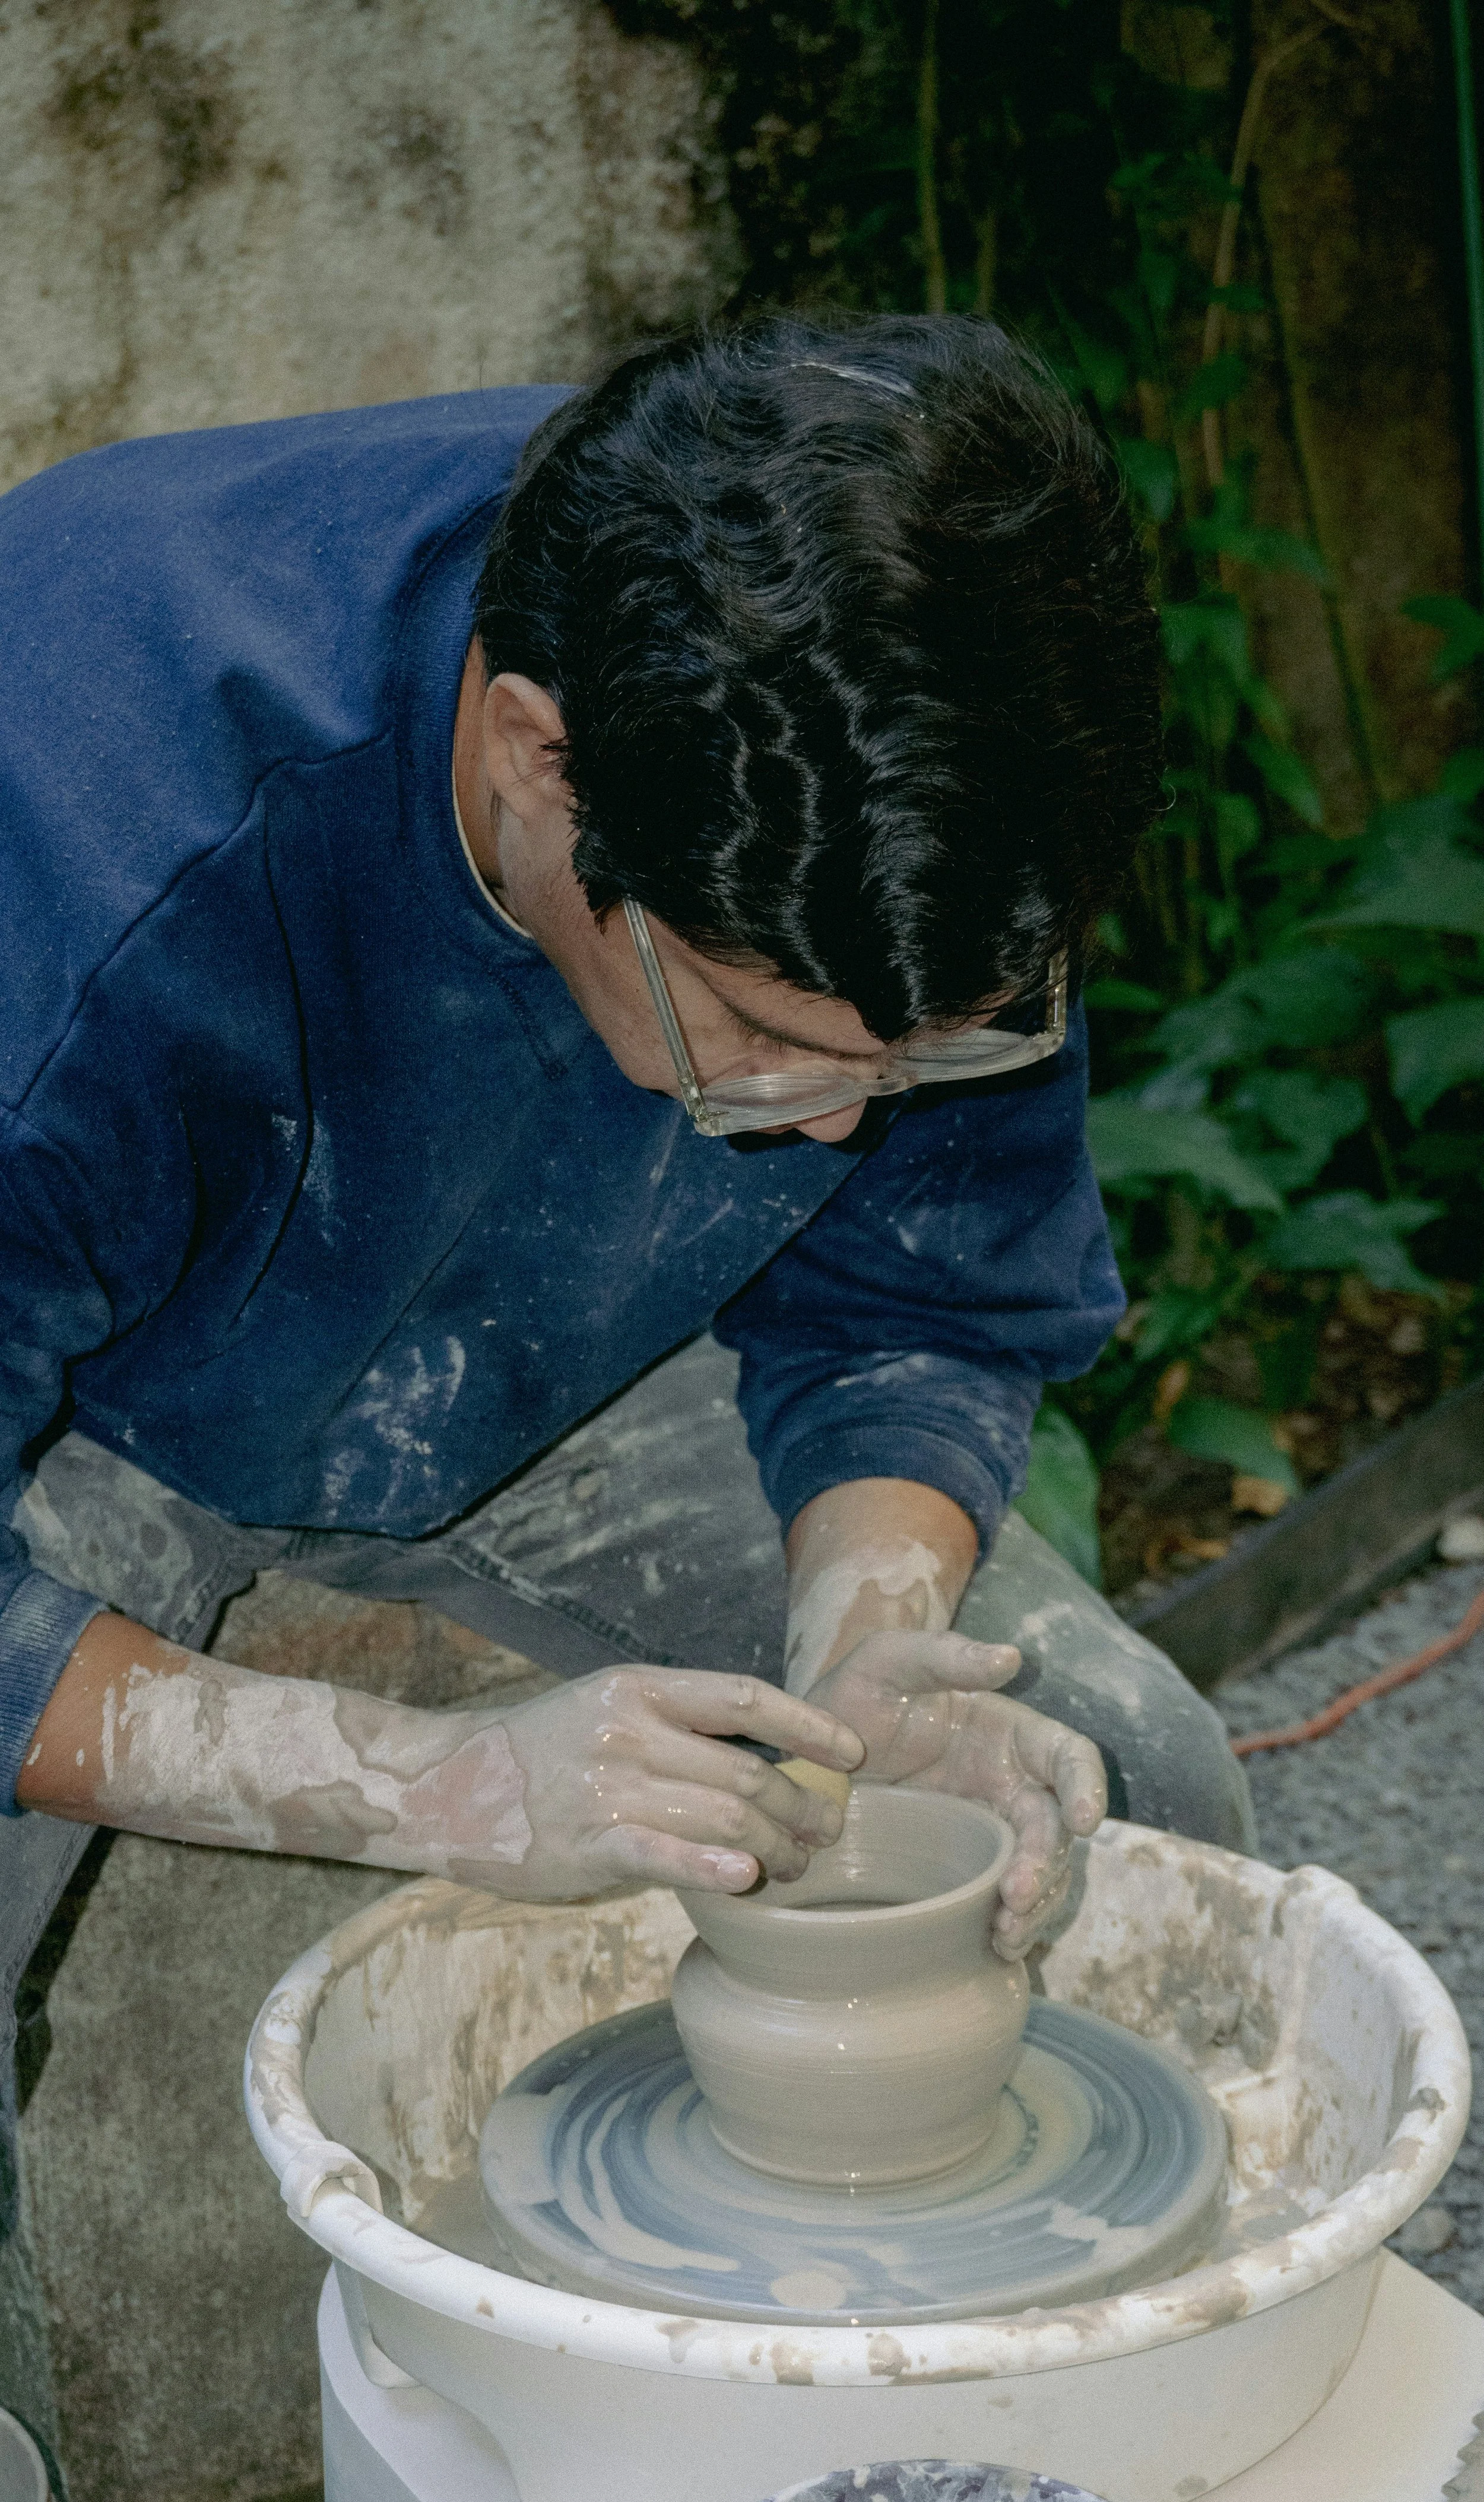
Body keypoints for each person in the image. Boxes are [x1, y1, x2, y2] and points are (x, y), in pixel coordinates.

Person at [0, 316, 1254, 2088]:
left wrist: (871, 1636)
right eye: (752, 1036)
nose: (832, 1138)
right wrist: (431, 1781)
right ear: (538, 758)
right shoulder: (78, 821)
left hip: (565, 1332)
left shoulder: (921, 736)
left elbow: (915, 1300)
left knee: (1121, 1765)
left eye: (909, 1066)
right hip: (78, 1392)